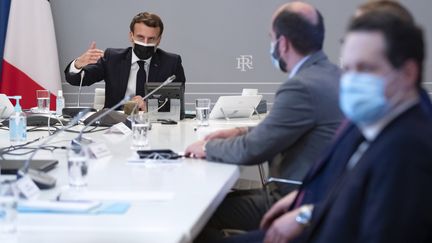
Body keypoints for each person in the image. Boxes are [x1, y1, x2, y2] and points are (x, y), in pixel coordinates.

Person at [221, 4, 432, 243]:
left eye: (364, 68)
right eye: (349, 69)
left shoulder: (409, 146)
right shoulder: (372, 120)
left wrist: (307, 217)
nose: (351, 81)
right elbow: (350, 185)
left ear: (408, 73)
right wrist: (307, 205)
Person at [188, 1, 343, 240]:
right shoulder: (331, 75)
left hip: (291, 199)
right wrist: (240, 130)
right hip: (316, 197)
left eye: (272, 38)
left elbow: (252, 150)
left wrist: (206, 147)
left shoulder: (301, 86)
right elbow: (281, 128)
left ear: (282, 44)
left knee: (195, 218)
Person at [65, 12, 186, 110]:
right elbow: (76, 80)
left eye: (151, 39)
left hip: (154, 126)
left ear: (159, 40)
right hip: (114, 125)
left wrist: (149, 107)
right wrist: (78, 64)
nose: (145, 43)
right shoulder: (113, 58)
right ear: (131, 36)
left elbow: (176, 104)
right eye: (140, 37)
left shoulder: (171, 63)